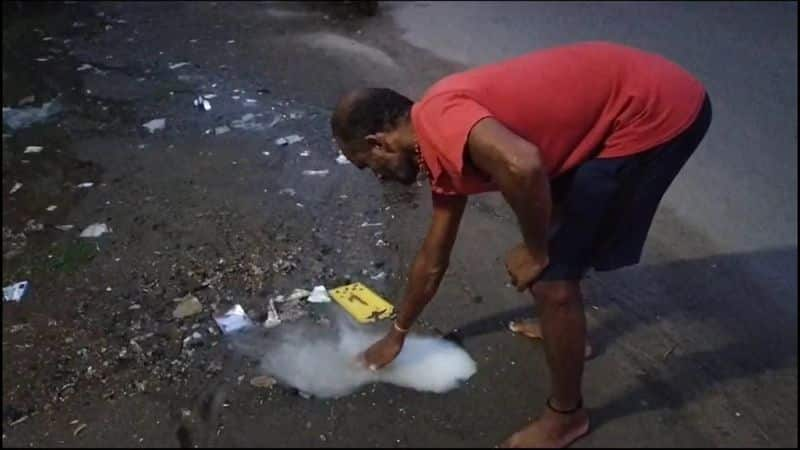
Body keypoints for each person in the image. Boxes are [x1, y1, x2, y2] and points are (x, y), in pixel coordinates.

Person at [330, 41, 711, 448]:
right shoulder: (436, 153)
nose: (376, 176)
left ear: (378, 143)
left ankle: (566, 417)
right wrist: (397, 334)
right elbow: (433, 257)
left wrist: (535, 249)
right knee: (560, 219)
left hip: (653, 109)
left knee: (550, 279)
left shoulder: (442, 121)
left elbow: (523, 163)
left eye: (365, 164)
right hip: (615, 103)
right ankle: (568, 334)